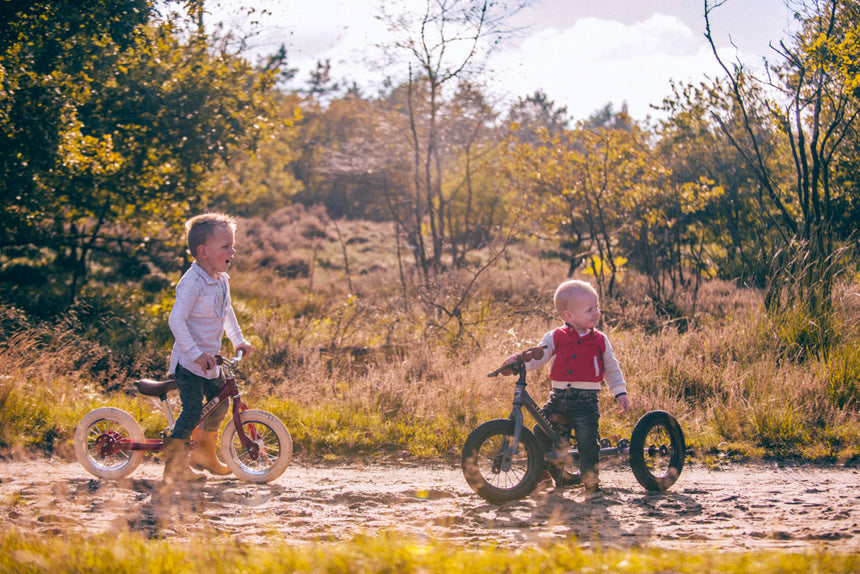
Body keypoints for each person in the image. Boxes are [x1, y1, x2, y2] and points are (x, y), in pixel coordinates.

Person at [504, 279, 629, 494]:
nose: (596, 312)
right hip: (558, 399)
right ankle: (542, 475)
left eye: (597, 307)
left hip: (585, 401)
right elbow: (538, 357)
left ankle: (590, 481)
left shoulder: (600, 340)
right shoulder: (555, 336)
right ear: (568, 316)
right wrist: (519, 361)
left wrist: (620, 392)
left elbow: (611, 368)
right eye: (590, 309)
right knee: (539, 432)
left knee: (587, 439)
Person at [163, 212, 253, 484]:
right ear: (202, 252)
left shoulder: (220, 280)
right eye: (226, 246)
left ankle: (204, 454)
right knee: (192, 409)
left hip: (210, 361)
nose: (233, 251)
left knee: (220, 402)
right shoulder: (192, 283)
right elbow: (175, 320)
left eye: (232, 245)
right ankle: (175, 467)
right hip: (190, 363)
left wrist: (238, 339)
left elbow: (226, 313)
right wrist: (195, 354)